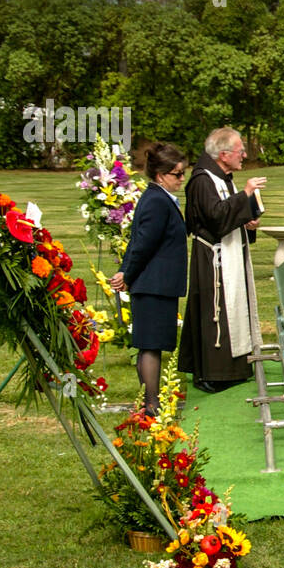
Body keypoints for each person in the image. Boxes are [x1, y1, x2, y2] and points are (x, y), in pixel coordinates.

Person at [178, 127, 266, 393]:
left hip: (227, 254)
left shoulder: (223, 177)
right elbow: (215, 218)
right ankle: (214, 373)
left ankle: (234, 368)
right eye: (240, 151)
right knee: (215, 313)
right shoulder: (203, 180)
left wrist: (247, 220)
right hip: (213, 259)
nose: (245, 155)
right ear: (224, 154)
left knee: (234, 308)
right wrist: (246, 195)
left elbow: (227, 214)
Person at [110, 143, 188, 416]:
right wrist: (127, 273)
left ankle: (151, 402)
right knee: (151, 346)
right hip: (153, 284)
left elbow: (137, 242)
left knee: (151, 344)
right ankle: (151, 405)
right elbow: (143, 243)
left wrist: (125, 272)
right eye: (177, 174)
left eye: (183, 173)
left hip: (156, 284)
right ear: (160, 175)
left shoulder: (157, 197)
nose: (182, 179)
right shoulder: (157, 200)